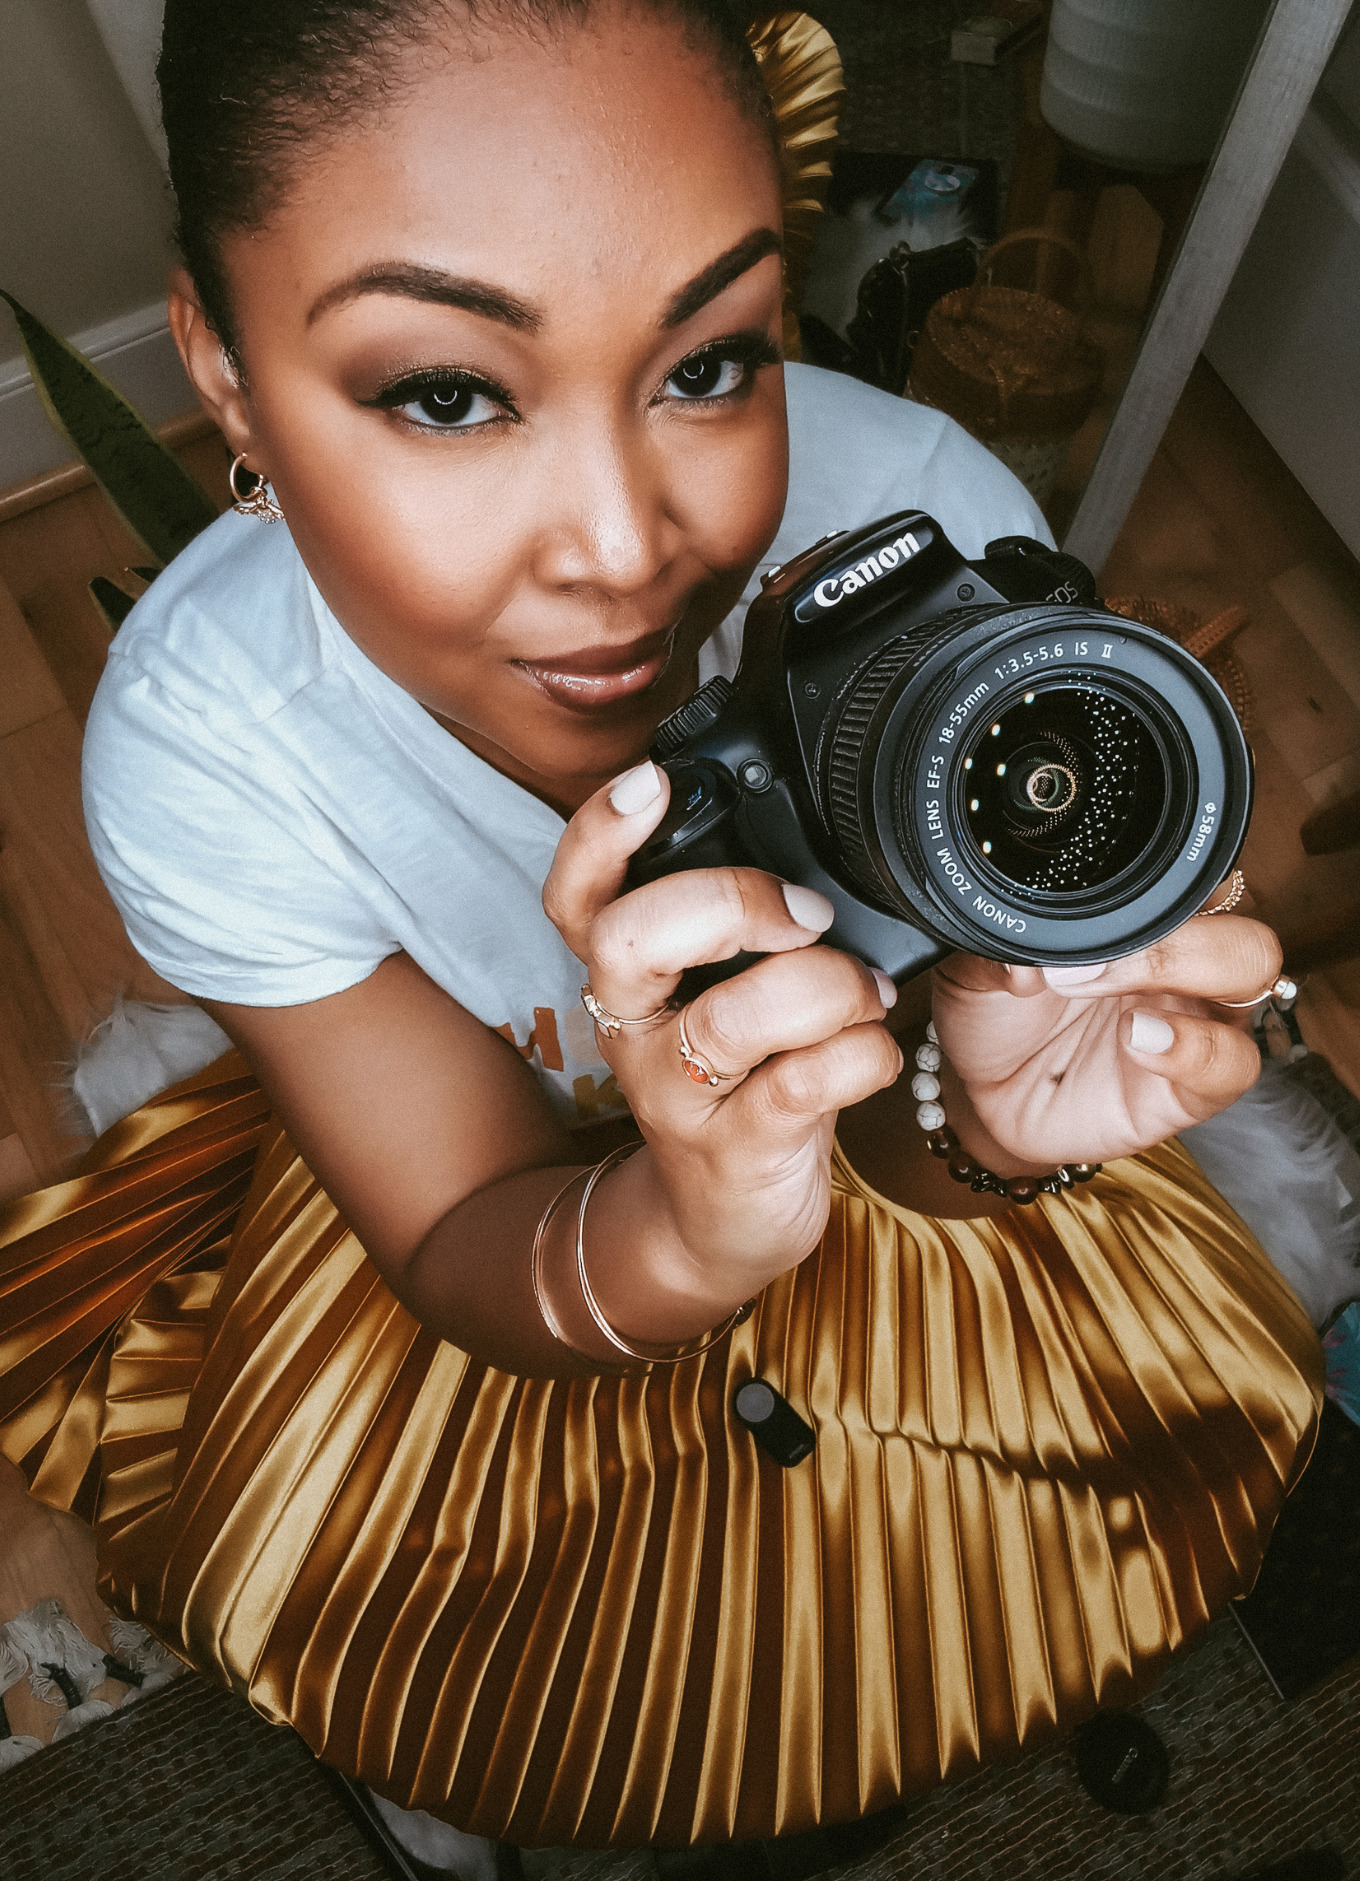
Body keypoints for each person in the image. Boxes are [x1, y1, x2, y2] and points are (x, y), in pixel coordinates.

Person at [0, 0, 1321, 1860]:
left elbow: (935, 1110)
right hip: (511, 1218)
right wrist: (687, 1234)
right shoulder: (210, 735)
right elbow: (467, 1221)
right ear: (220, 367)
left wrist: (977, 1129)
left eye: (710, 360)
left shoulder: (937, 513)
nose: (626, 546)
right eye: (447, 391)